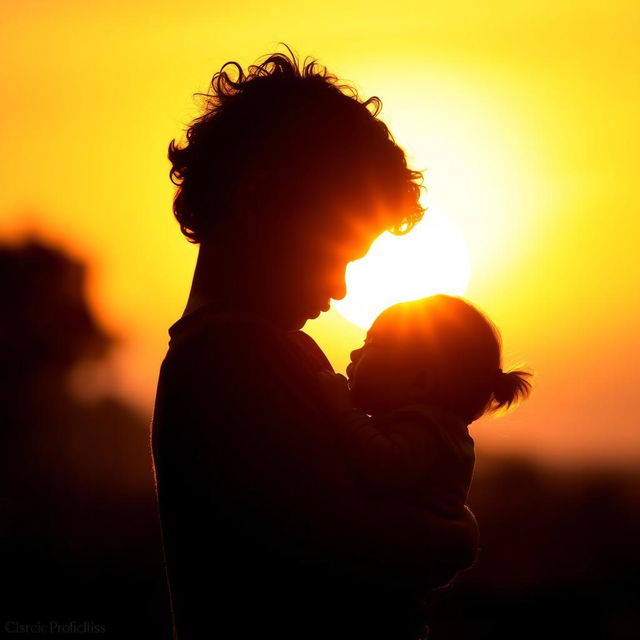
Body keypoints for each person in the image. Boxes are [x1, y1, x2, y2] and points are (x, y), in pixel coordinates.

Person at [150, 46, 479, 640]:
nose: (339, 287)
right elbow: (347, 544)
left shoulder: (261, 350)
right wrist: (457, 536)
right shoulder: (235, 360)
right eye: (337, 254)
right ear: (257, 203)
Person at [317, 294, 532, 520]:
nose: (354, 353)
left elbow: (384, 467)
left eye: (371, 343)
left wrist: (343, 409)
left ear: (420, 381)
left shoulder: (427, 429)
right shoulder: (428, 427)